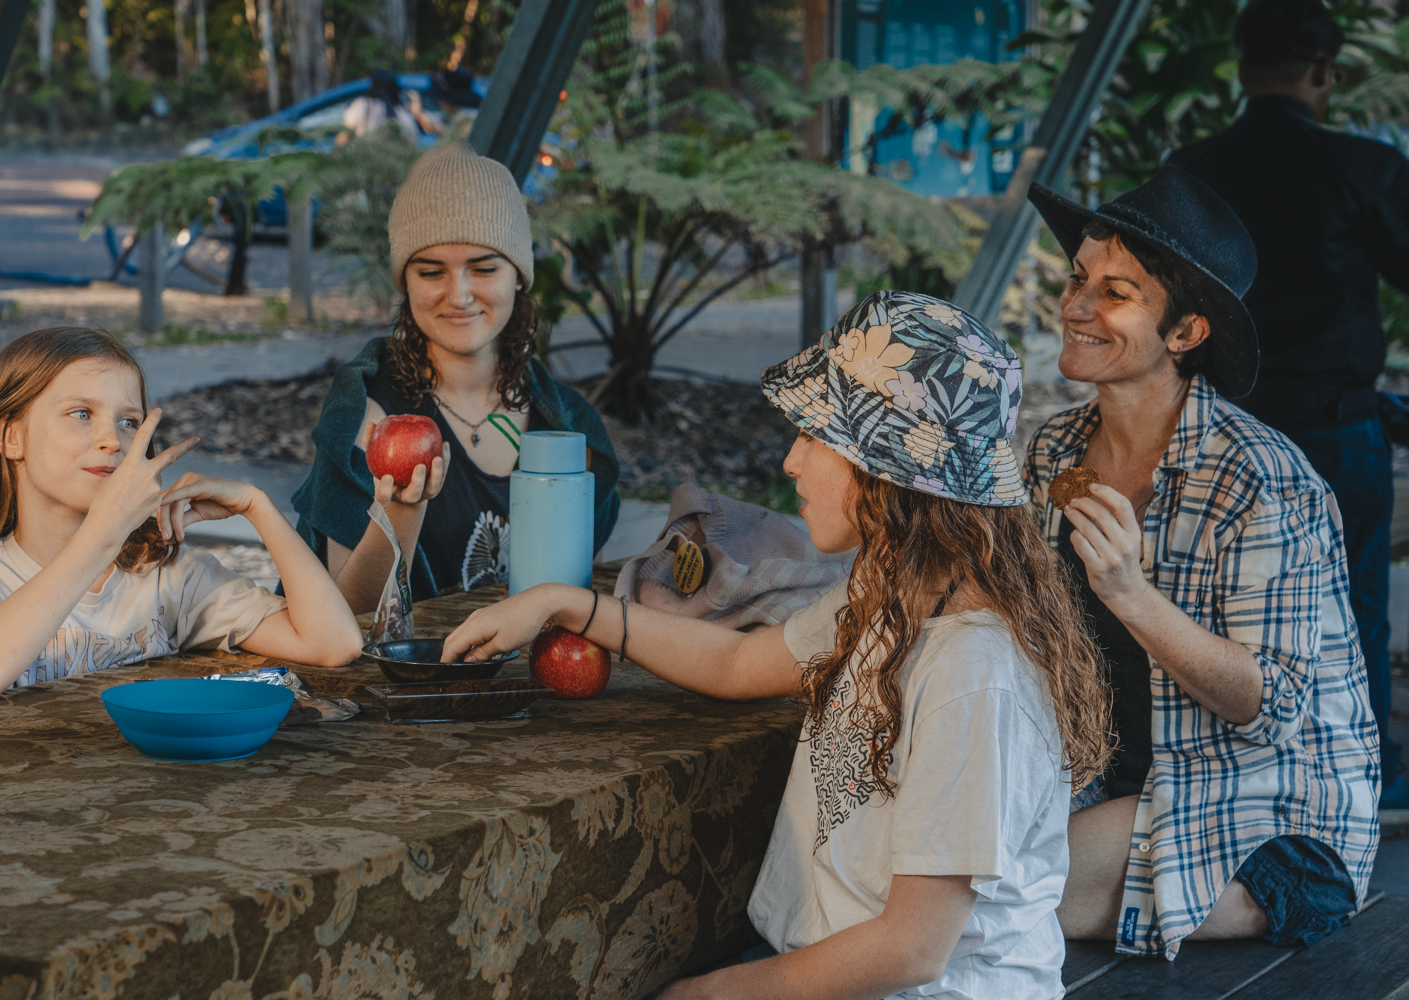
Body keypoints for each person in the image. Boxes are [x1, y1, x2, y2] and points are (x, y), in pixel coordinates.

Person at [442, 292, 1114, 1000]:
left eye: (817, 438)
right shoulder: (889, 595)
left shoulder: (975, 676)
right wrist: (566, 605)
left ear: (889, 472)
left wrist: (709, 994)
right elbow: (736, 663)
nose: (791, 461)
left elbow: (913, 949)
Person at [1024, 166, 1380, 959]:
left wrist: (1130, 592)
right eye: (1079, 278)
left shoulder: (1262, 480)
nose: (1077, 307)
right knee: (929, 860)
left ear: (1186, 334)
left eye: (1115, 292)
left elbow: (1269, 706)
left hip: (1266, 810)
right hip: (1109, 784)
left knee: (999, 893)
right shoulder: (1052, 450)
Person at [1168, 0, 1409, 810]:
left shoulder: (1192, 167)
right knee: (1355, 606)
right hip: (1336, 427)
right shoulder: (1362, 168)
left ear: (1240, 68)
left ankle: (1241, 779)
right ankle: (1361, 783)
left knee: (1213, 607)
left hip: (1217, 428)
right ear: (1323, 73)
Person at [0, 327, 363, 703]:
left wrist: (257, 506)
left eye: (129, 422)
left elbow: (333, 643)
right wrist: (103, 535)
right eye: (81, 413)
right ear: (9, 437)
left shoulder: (167, 577)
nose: (112, 439)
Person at [290, 141, 619, 610]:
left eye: (484, 268)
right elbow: (345, 615)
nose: (458, 294)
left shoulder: (570, 425)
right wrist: (400, 512)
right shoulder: (368, 414)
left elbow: (587, 604)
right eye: (430, 272)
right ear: (405, 281)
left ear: (518, 276)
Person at [337, 69, 439, 146]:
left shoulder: (362, 105)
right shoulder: (404, 116)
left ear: (373, 86)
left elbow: (344, 137)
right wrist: (418, 114)